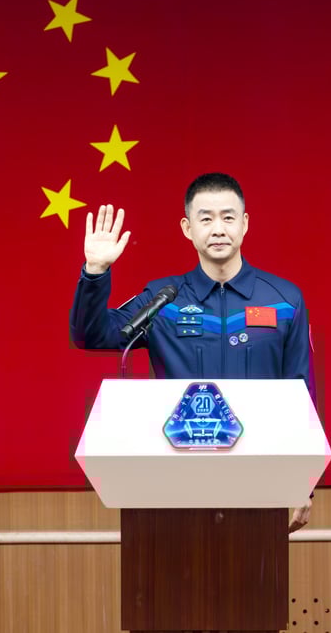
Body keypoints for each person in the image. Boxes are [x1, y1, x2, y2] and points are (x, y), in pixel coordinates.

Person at [70, 172, 315, 531]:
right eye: (206, 218)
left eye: (228, 217)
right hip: (173, 480)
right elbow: (91, 335)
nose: (218, 229)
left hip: (261, 479)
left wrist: (304, 481)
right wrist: (96, 271)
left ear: (245, 224)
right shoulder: (164, 299)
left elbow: (302, 393)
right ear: (187, 228)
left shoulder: (284, 300)